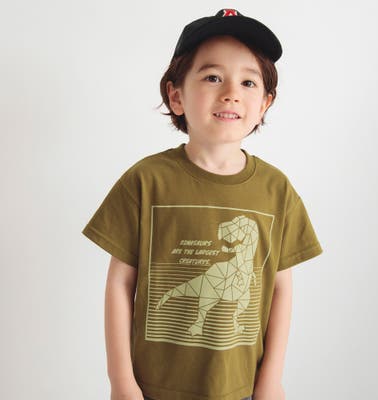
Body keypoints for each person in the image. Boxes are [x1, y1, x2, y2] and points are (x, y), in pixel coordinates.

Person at [82, 8, 323, 400]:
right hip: (152, 387)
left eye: (248, 81)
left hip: (239, 387)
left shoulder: (277, 190)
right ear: (176, 96)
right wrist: (121, 380)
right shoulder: (145, 181)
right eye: (212, 77)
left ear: (264, 103)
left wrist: (271, 379)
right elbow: (119, 283)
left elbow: (281, 288)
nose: (231, 92)